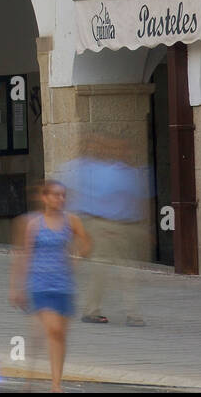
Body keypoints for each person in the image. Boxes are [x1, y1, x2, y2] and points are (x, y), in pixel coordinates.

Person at [10, 180, 92, 393]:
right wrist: (17, 287)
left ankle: (56, 383)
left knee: (59, 335)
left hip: (64, 285)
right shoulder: (35, 224)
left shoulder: (71, 221)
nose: (60, 199)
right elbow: (24, 256)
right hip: (40, 284)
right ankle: (44, 381)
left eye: (63, 195)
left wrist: (77, 257)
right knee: (53, 329)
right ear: (45, 198)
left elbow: (87, 243)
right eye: (55, 195)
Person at [59, 137, 150, 327]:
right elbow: (87, 199)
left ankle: (132, 314)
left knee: (128, 271)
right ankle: (92, 311)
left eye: (125, 149)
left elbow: (139, 200)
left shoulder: (130, 173)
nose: (123, 153)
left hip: (125, 226)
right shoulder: (99, 171)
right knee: (101, 269)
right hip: (102, 226)